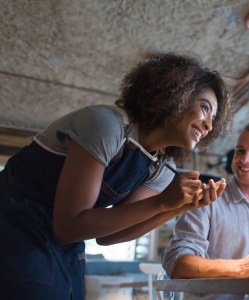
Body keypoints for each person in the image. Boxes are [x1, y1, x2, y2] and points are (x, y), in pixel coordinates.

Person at [0, 52, 234, 300]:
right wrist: (161, 202)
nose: (209, 124)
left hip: (66, 243)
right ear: (176, 95)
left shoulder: (162, 166)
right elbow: (67, 227)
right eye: (204, 108)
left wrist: (178, 207)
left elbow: (108, 236)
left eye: (213, 118)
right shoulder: (105, 125)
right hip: (16, 222)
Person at [161, 121, 249, 300]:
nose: (245, 160)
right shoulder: (207, 199)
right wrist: (240, 267)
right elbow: (177, 263)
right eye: (240, 151)